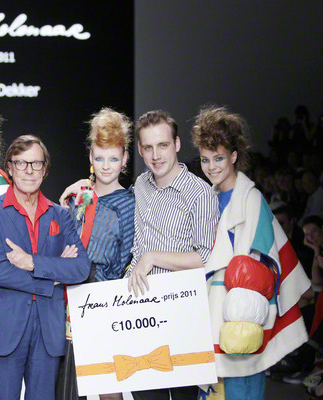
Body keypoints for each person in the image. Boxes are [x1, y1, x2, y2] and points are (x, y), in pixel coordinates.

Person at [191, 106, 311, 400]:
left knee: (241, 389)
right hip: (210, 312)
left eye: (219, 158)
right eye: (205, 159)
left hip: (240, 314)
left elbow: (263, 266)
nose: (212, 167)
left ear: (233, 156)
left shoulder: (252, 199)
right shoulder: (208, 198)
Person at [0, 135, 91, 400]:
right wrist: (52, 277)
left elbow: (80, 268)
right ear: (10, 167)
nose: (29, 171)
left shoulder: (60, 215)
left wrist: (32, 262)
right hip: (6, 328)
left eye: (36, 164)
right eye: (21, 163)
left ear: (45, 169)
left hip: (48, 331)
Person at [127, 110, 218, 400]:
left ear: (176, 144)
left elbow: (206, 258)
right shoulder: (141, 185)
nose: (156, 155)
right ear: (140, 149)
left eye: (163, 145)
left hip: (182, 317)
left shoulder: (200, 193)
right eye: (148, 147)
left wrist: (152, 257)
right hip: (140, 314)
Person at [56, 108, 135, 400]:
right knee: (67, 384)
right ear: (91, 156)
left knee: (106, 384)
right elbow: (62, 240)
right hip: (67, 294)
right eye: (100, 158)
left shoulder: (128, 203)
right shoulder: (80, 195)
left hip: (102, 296)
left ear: (125, 159)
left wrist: (103, 289)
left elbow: (125, 255)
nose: (106, 166)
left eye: (113, 159)